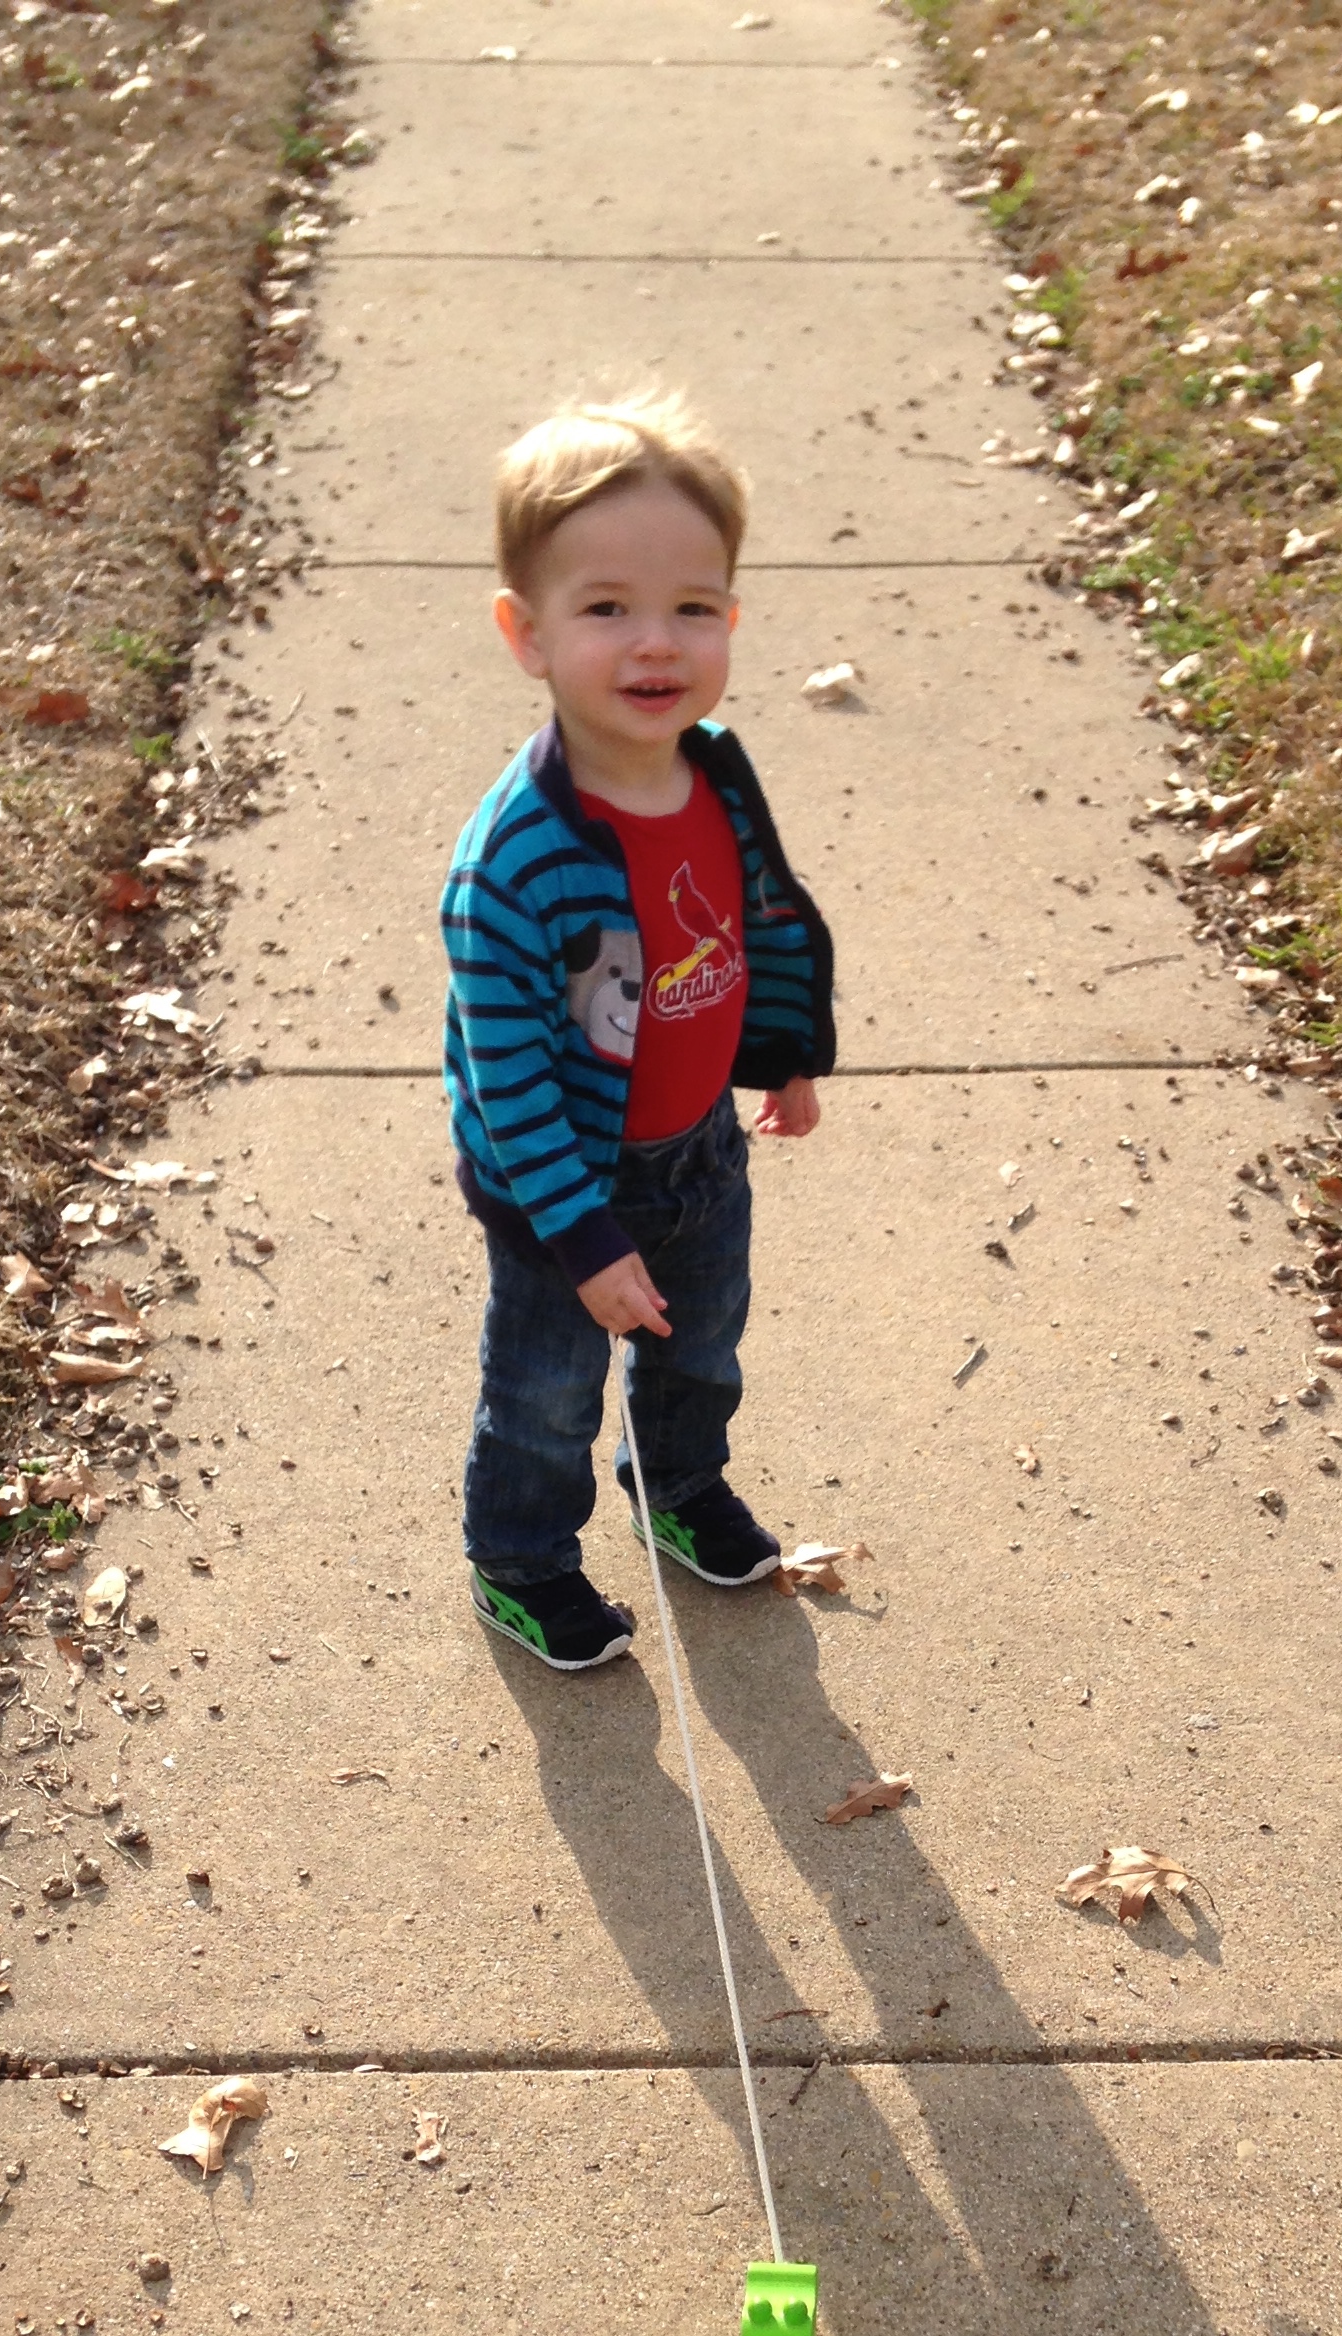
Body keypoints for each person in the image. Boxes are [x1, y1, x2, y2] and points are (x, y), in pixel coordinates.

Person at [440, 395, 836, 1673]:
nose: (657, 640)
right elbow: (507, 1082)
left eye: (693, 607)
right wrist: (583, 1237)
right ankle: (521, 1561)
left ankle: (677, 1484)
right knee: (547, 1396)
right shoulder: (516, 862)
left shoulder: (712, 769)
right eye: (607, 607)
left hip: (699, 1147)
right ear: (528, 634)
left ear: (731, 619)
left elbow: (752, 917)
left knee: (700, 1350)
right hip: (562, 1185)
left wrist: (780, 1051)